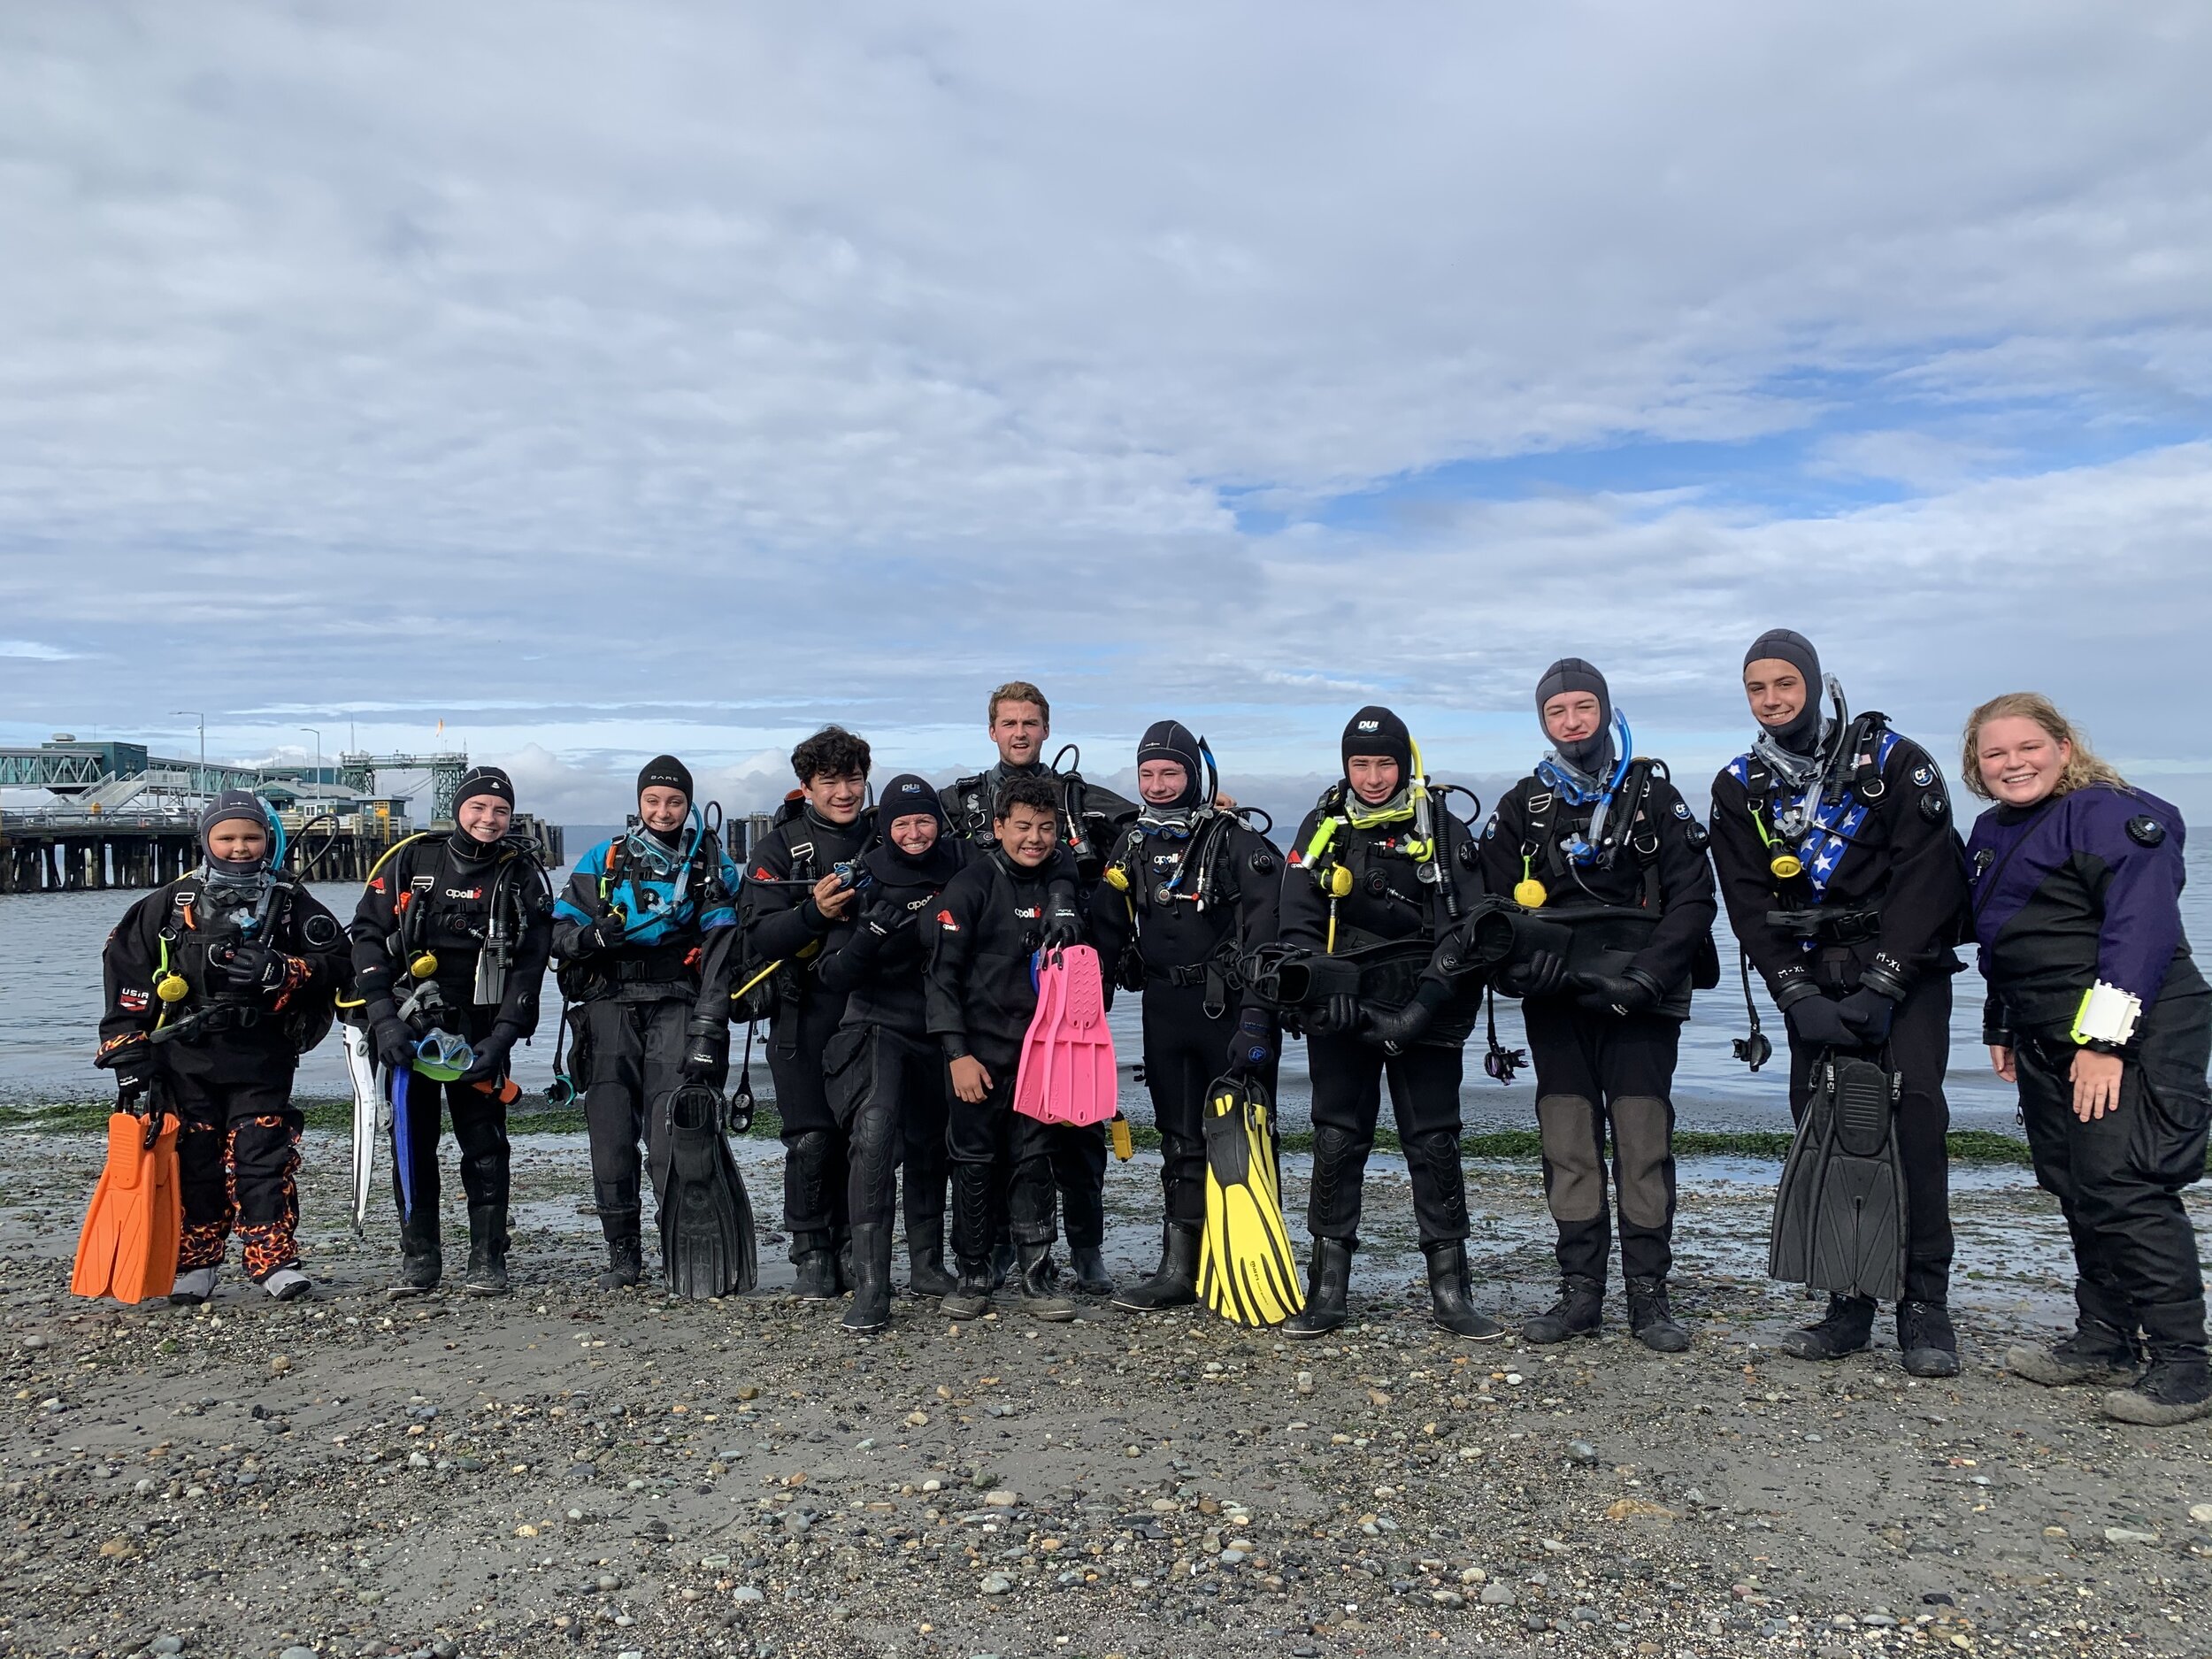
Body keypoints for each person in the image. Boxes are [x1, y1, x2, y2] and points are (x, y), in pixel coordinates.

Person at [1709, 629, 1967, 1375]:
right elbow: (1748, 901)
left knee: (1915, 1129)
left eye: (1786, 683)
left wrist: (1885, 981)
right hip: (1812, 973)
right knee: (1824, 1132)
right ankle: (1846, 1305)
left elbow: (1930, 877)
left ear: (1814, 684)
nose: (1772, 699)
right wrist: (1795, 992)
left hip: (1905, 967)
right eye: (1757, 688)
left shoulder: (1892, 763)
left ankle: (1925, 1306)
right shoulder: (1739, 785)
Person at [1964, 693, 2212, 1425]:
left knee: (2127, 1185)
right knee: (2075, 1183)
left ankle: (2185, 1363)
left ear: (2064, 746)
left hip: (2138, 1024)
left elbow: (2141, 929)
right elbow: (2006, 939)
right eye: (1994, 754)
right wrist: (2002, 1020)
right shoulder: (1988, 830)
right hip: (2048, 1030)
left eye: (2027, 748)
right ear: (1977, 767)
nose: (2013, 764)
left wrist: (2104, 1043)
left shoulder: (2109, 813)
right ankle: (2103, 1337)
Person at [1479, 659, 1717, 1351]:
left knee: (1643, 1141)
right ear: (1544, 722)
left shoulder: (1655, 796)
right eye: (1559, 712)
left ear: (1607, 712)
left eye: (1585, 707)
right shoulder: (1524, 805)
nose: (1573, 722)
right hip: (1558, 999)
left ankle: (1649, 1297)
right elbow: (1488, 908)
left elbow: (1695, 897)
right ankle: (1581, 1292)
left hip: (1645, 998)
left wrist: (1647, 976)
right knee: (1568, 1142)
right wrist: (1526, 969)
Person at [1277, 707, 1502, 1340]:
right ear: (1345, 765)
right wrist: (1324, 993)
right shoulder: (1323, 827)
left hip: (1426, 1009)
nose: (1373, 777)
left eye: (1384, 763)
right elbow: (1293, 920)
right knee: (1336, 1140)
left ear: (1406, 764)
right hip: (1343, 1011)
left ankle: (1452, 1289)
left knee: (1433, 1143)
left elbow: (1472, 928)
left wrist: (1423, 1007)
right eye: (1360, 763)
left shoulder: (1443, 828)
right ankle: (1327, 1288)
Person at [95, 791, 349, 1303]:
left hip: (263, 1055)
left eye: (251, 837)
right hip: (182, 1060)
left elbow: (341, 967)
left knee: (263, 1158)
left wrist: (284, 970)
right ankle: (197, 1264)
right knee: (195, 1161)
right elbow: (126, 977)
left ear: (268, 841)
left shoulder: (294, 904)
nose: (239, 847)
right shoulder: (165, 906)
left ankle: (272, 1260)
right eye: (227, 837)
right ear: (206, 840)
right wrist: (126, 1050)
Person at [942, 681, 1137, 1294]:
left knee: (1079, 1135)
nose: (1021, 732)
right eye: (1009, 722)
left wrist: (1215, 805)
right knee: (1004, 1139)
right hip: (996, 998)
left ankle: (1087, 1248)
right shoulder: (964, 802)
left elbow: (1147, 825)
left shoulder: (1079, 799)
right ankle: (1001, 1248)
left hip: (1071, 1001)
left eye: (1031, 721)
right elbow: (901, 824)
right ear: (992, 731)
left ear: (1046, 729)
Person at [1088, 719, 1284, 1312]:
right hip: (1163, 1007)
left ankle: (1242, 1266)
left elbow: (1270, 923)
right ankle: (1178, 1267)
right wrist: (1085, 1011)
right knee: (1178, 1136)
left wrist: (1259, 1014)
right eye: (1148, 772)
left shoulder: (1232, 837)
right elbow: (1105, 928)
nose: (1159, 783)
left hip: (1225, 1006)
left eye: (1170, 771)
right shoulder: (1131, 843)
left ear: (1193, 775)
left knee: (1245, 1136)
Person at [349, 765, 553, 1298]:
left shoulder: (521, 875)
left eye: (501, 811)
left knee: (485, 1143)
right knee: (411, 1143)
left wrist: (504, 1036)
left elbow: (531, 966)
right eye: (478, 808)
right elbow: (367, 937)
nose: (489, 820)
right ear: (459, 809)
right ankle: (420, 1259)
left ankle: (487, 1258)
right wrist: (382, 1018)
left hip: (481, 1028)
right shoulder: (410, 861)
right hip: (407, 1025)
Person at [551, 757, 741, 1291]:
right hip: (609, 1003)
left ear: (688, 805)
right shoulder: (602, 858)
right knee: (610, 1131)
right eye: (653, 800)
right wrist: (591, 939)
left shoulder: (711, 865)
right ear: (638, 803)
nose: (663, 811)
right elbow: (558, 931)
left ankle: (678, 1244)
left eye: (675, 802)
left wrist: (709, 1024)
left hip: (677, 1003)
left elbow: (724, 949)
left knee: (671, 1131)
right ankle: (623, 1253)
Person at [924, 773, 1089, 1321]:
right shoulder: (970, 886)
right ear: (998, 827)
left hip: (1038, 1056)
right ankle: (972, 1276)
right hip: (978, 1054)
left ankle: (1038, 1278)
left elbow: (1069, 866)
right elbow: (941, 979)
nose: (1034, 839)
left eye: (1045, 828)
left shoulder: (1060, 882)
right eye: (1022, 827)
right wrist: (956, 1055)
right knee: (973, 1163)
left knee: (1035, 1160)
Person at [815, 774, 971, 1332]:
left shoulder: (965, 866)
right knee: (876, 1139)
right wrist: (868, 935)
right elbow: (832, 975)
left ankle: (928, 1266)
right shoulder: (864, 879)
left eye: (923, 819)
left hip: (944, 1027)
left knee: (934, 1144)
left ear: (939, 821)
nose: (913, 832)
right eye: (901, 822)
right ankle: (873, 1284)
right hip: (878, 1023)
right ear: (884, 828)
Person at [728, 726, 877, 1300]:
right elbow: (759, 936)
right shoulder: (780, 848)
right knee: (812, 1139)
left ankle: (854, 1246)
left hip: (871, 1013)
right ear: (806, 786)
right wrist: (813, 913)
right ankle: (811, 1249)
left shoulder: (886, 839)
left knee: (867, 1137)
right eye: (830, 781)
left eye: (853, 779)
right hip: (799, 1013)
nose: (844, 792)